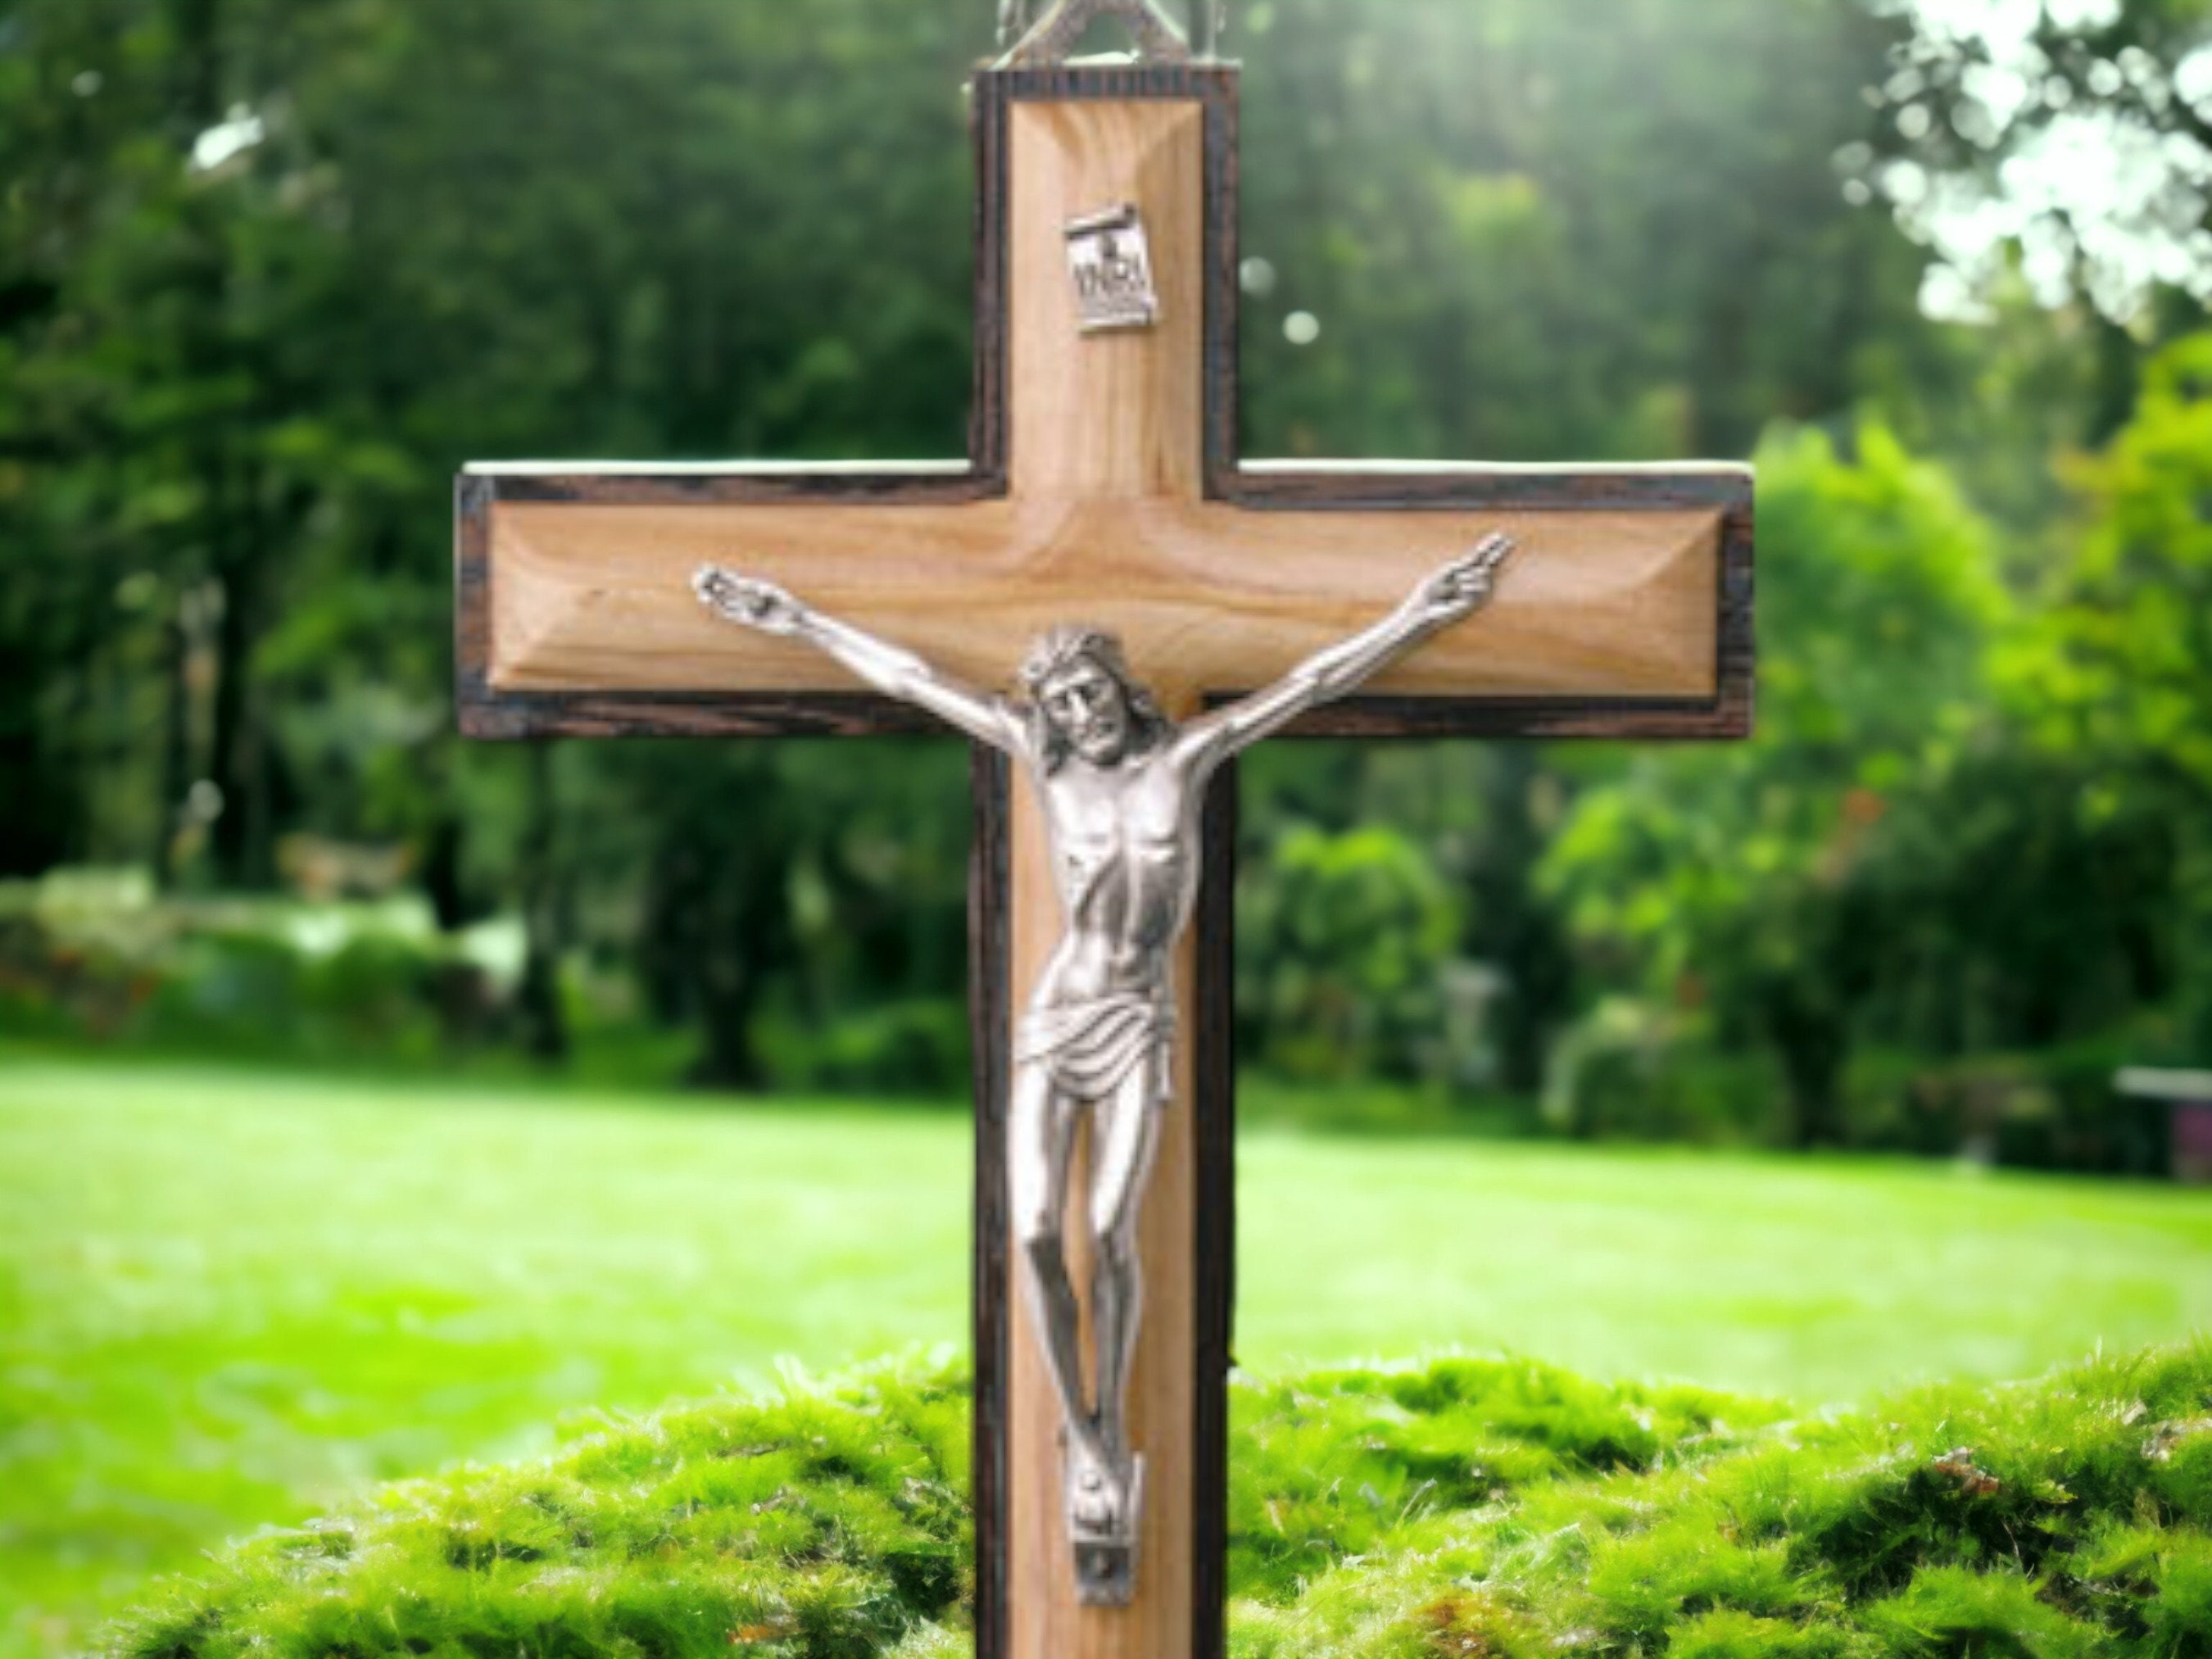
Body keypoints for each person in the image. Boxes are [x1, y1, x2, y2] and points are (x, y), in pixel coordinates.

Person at [695, 532, 1514, 1597]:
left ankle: (1108, 1423)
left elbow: (1309, 682)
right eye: (1066, 701)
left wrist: (1421, 611)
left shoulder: (1184, 760)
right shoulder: (1042, 763)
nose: (1084, 712)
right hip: (1056, 1021)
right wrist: (792, 618)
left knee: (1107, 1227)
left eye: (1093, 690)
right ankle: (1082, 1436)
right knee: (1034, 1230)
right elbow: (911, 679)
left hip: (1138, 1022)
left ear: (1121, 688)